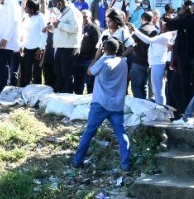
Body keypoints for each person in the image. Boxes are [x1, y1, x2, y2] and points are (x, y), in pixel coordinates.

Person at [72, 37, 131, 172]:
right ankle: (126, 164)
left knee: (89, 133)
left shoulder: (103, 62)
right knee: (122, 134)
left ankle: (77, 161)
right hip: (116, 105)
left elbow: (89, 71)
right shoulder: (123, 62)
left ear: (104, 49)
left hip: (100, 103)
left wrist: (97, 56)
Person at [128, 13, 174, 105]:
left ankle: (160, 109)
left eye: (163, 21)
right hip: (155, 64)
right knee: (156, 89)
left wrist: (135, 30)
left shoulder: (167, 35)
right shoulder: (161, 33)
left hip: (159, 64)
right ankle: (159, 107)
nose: (161, 23)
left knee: (158, 90)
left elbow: (149, 40)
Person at [48, 0, 83, 94]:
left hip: (70, 47)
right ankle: (60, 91)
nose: (54, 7)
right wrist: (51, 27)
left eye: (55, 5)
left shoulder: (73, 12)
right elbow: (59, 26)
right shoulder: (61, 12)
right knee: (58, 71)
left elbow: (75, 28)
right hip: (61, 46)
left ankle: (68, 94)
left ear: (60, 3)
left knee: (67, 73)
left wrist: (59, 24)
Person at [19, 0, 46, 87]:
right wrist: (21, 45)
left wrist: (40, 48)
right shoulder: (26, 17)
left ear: (32, 8)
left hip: (37, 48)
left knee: (37, 71)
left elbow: (44, 33)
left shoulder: (40, 17)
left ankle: (37, 91)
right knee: (26, 70)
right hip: (27, 47)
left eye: (27, 7)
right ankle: (26, 89)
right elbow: (23, 32)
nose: (25, 8)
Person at [76, 9, 102, 94]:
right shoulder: (79, 27)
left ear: (90, 17)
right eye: (81, 16)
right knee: (78, 83)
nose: (83, 18)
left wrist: (94, 60)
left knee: (90, 84)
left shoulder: (94, 28)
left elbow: (98, 45)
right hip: (78, 59)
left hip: (89, 60)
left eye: (85, 16)